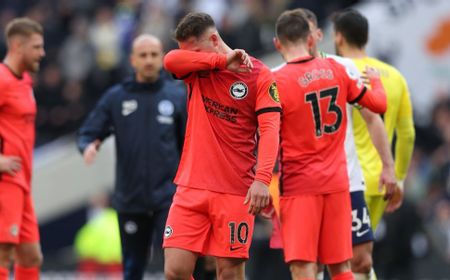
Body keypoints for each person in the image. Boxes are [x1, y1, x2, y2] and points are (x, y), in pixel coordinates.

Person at [162, 12, 281, 280]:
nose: (193, 59)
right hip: (191, 186)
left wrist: (262, 179)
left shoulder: (260, 75)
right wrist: (219, 60)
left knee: (229, 273)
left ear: (214, 39)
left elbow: (270, 129)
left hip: (234, 191)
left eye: (195, 51)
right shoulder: (198, 69)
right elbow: (170, 60)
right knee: (174, 270)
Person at [272, 10, 387, 280]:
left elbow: (266, 137)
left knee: (303, 266)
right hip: (337, 183)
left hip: (300, 187)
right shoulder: (338, 70)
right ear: (311, 39)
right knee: (340, 266)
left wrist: (262, 180)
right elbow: (378, 105)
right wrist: (377, 81)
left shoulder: (275, 81)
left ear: (278, 44)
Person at [77, 34, 186, 280]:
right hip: (130, 199)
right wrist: (87, 145)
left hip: (169, 200)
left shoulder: (177, 96)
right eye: (143, 55)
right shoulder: (117, 97)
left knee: (176, 267)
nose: (148, 60)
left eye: (154, 54)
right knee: (132, 269)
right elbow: (89, 131)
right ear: (132, 60)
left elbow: (190, 144)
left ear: (162, 58)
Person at [332, 9, 415, 279]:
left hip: (345, 181)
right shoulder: (395, 76)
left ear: (338, 37)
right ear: (366, 38)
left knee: (343, 262)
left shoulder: (336, 72)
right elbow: (407, 135)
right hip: (382, 182)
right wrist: (399, 177)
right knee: (362, 262)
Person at [0, 17, 45, 280]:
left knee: (31, 256)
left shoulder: (24, 80)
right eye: (37, 47)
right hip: (6, 180)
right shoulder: (2, 80)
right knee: (3, 254)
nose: (43, 53)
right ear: (17, 46)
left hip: (22, 181)